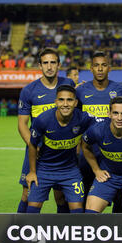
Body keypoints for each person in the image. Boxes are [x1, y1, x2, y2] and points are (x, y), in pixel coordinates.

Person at [17, 47, 75, 213]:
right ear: (40, 65)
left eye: (53, 63)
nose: (49, 67)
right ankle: (19, 235)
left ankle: (63, 236)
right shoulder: (29, 90)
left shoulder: (68, 84)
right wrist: (34, 146)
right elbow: (22, 124)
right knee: (28, 194)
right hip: (37, 152)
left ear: (59, 65)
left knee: (61, 196)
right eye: (45, 63)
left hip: (62, 152)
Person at [25, 85, 95, 213]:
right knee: (32, 211)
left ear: (75, 102)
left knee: (77, 212)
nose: (65, 104)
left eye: (69, 100)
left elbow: (104, 126)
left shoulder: (84, 118)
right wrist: (32, 172)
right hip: (45, 169)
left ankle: (66, 232)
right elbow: (32, 145)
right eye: (61, 100)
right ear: (56, 101)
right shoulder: (43, 120)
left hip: (70, 171)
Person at [75, 51, 122, 212]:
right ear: (91, 68)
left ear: (109, 68)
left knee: (119, 198)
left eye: (103, 65)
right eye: (96, 65)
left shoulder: (120, 90)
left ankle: (120, 233)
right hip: (88, 152)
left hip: (114, 152)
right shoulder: (81, 91)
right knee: (84, 196)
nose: (100, 69)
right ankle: (85, 233)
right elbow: (75, 121)